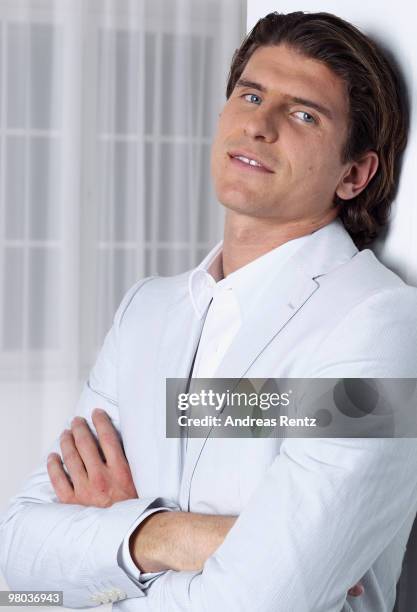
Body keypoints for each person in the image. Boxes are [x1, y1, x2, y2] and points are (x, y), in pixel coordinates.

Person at [1, 10, 417, 612]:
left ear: (354, 174)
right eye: (250, 95)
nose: (260, 125)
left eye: (304, 114)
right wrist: (170, 534)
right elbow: (21, 555)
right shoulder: (146, 311)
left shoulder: (381, 324)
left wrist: (114, 543)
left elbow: (267, 599)